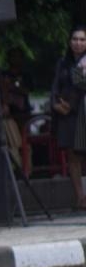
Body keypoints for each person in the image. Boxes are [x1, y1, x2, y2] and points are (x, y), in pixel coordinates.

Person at [51, 26, 86, 209]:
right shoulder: (63, 63)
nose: (78, 43)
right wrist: (56, 104)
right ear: (70, 41)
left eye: (82, 39)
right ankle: (80, 198)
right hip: (67, 115)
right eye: (75, 39)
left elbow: (81, 87)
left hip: (83, 111)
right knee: (73, 156)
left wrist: (70, 104)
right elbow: (56, 86)